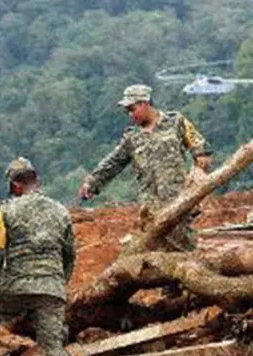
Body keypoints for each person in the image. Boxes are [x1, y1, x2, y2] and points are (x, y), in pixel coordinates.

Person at [78, 84, 213, 250]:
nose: (130, 114)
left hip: (177, 200)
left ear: (144, 103)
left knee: (184, 245)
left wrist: (199, 172)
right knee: (151, 249)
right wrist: (93, 182)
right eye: (127, 110)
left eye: (132, 109)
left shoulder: (176, 122)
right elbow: (113, 162)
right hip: (150, 206)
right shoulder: (132, 137)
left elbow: (202, 150)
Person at [0, 158, 75, 356]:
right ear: (38, 182)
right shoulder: (61, 212)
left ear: (15, 186)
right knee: (52, 345)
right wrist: (58, 283)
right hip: (52, 289)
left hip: (14, 289)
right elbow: (69, 255)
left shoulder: (6, 212)